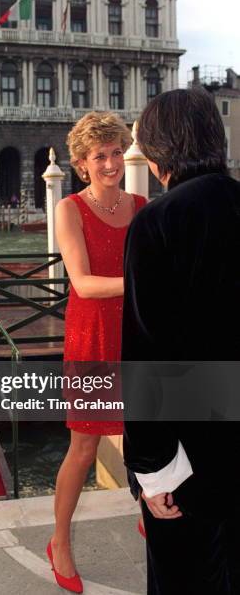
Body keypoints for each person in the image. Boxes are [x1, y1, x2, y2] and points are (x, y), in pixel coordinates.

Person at [122, 88, 240, 594]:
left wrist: (153, 472)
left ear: (155, 152)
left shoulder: (158, 221)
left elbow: (148, 356)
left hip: (195, 460)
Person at [47, 112, 147, 593]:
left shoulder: (144, 205)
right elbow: (83, 283)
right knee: (84, 446)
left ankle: (149, 505)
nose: (110, 163)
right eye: (99, 156)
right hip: (92, 336)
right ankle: (60, 541)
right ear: (82, 164)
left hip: (136, 333)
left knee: (148, 427)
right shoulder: (68, 209)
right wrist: (145, 284)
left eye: (115, 152)